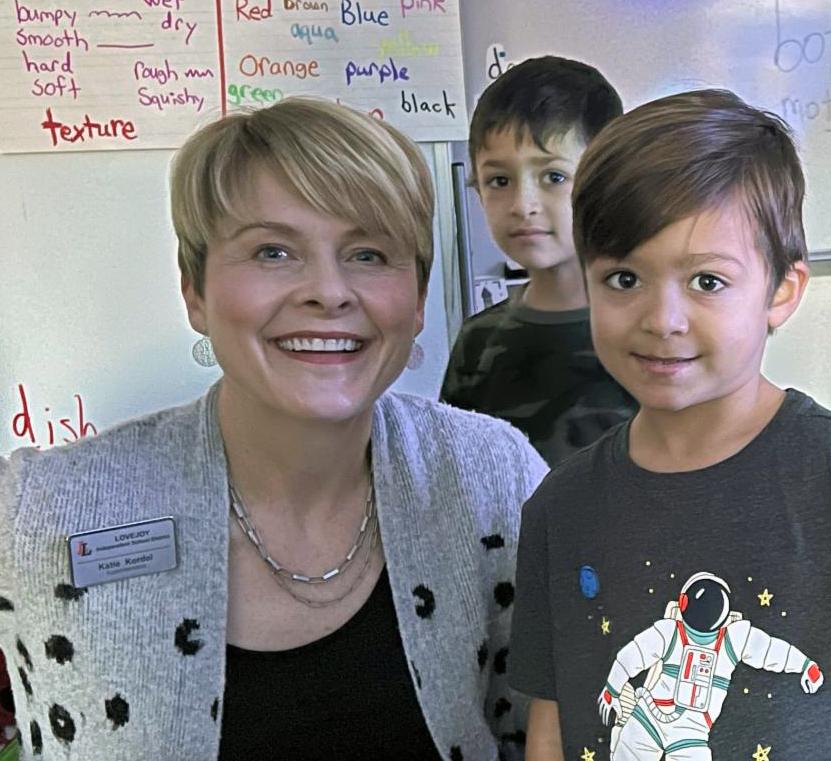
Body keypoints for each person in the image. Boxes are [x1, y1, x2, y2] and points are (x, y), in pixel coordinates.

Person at [0, 98, 548, 760]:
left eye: (369, 254)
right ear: (195, 291)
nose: (329, 291)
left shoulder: (492, 477)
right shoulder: (43, 510)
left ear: (417, 299)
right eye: (273, 251)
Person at [508, 89, 831, 761]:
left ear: (781, 291)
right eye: (623, 279)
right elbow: (551, 728)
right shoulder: (557, 509)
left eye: (707, 282)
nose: (662, 319)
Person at [440, 56, 638, 466]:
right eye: (499, 180)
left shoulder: (648, 330)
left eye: (553, 177)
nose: (522, 204)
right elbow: (455, 474)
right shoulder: (477, 341)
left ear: (607, 181)